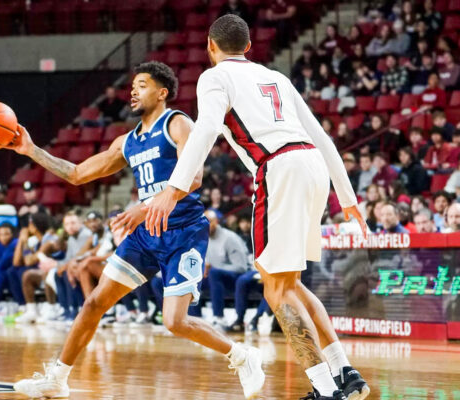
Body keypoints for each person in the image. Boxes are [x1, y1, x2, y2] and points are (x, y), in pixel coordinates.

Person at [145, 15, 368, 400]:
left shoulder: (214, 77)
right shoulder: (277, 77)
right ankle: (345, 374)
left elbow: (207, 129)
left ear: (210, 47)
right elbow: (324, 138)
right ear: (248, 47)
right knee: (290, 283)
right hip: (313, 165)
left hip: (278, 168)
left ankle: (325, 389)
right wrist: (348, 199)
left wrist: (174, 188)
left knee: (275, 290)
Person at [7, 60, 261, 399]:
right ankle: (57, 378)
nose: (133, 91)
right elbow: (77, 174)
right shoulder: (128, 142)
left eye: (141, 85)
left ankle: (242, 355)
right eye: (132, 86)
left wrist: (144, 207)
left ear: (162, 92)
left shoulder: (178, 123)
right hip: (147, 235)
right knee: (94, 303)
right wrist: (31, 150)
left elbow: (195, 177)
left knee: (174, 321)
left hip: (183, 231)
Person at [203, 210, 251, 327]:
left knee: (214, 273)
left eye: (209, 222)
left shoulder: (230, 238)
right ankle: (194, 318)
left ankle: (219, 317)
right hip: (215, 279)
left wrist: (212, 267)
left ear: (216, 222)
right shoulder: (202, 238)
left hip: (237, 279)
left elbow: (242, 267)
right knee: (189, 279)